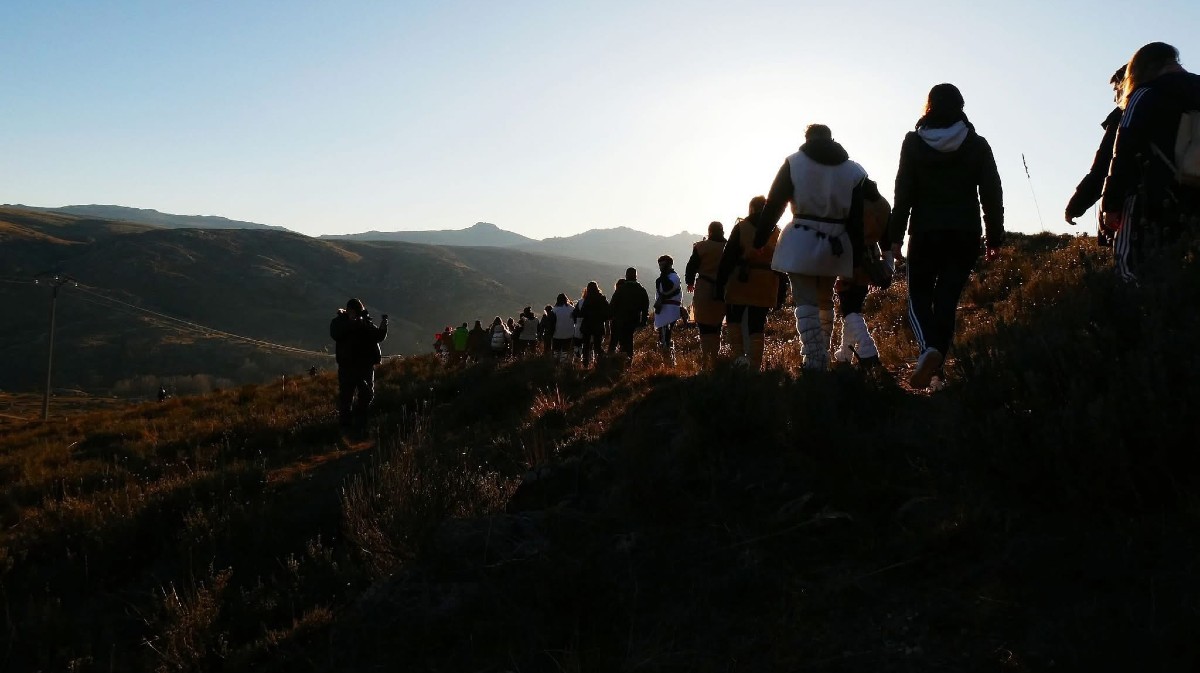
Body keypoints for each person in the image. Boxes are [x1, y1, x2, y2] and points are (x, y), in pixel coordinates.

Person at [888, 83, 1004, 390]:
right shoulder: (977, 144)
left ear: (929, 107)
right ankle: (937, 373)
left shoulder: (913, 142)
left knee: (918, 297)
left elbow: (903, 193)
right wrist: (994, 238)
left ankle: (929, 349)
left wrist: (894, 238)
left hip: (925, 232)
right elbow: (992, 194)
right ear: (961, 108)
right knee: (946, 301)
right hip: (965, 234)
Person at [755, 123, 872, 372]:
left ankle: (814, 358)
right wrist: (856, 258)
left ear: (807, 139)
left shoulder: (794, 163)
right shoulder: (853, 170)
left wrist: (760, 239)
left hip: (801, 239)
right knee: (825, 298)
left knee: (805, 299)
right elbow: (856, 220)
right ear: (831, 138)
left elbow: (775, 203)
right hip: (836, 243)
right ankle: (824, 352)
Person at [1102, 42, 1200, 282]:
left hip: (1150, 199)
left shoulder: (1144, 94)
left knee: (1131, 272)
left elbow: (1123, 150)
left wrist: (1111, 204)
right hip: (1195, 198)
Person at [1065, 65, 1127, 248]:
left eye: (1116, 89)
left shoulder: (1123, 117)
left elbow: (1103, 168)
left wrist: (1075, 206)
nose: (1115, 97)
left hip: (1126, 220)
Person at [833, 181, 892, 371]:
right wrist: (888, 265)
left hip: (851, 259)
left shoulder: (855, 203)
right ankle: (845, 354)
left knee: (849, 308)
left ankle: (868, 350)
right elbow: (886, 239)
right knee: (854, 307)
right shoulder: (883, 204)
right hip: (872, 259)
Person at [717, 196, 778, 370]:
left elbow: (728, 258)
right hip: (767, 283)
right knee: (757, 325)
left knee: (734, 320)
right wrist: (780, 293)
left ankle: (738, 360)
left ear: (751, 208)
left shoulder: (742, 227)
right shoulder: (776, 231)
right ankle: (755, 365)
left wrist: (720, 284)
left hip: (741, 281)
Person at [329, 298, 388, 430]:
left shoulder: (364, 322)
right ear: (348, 311)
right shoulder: (339, 322)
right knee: (346, 397)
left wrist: (384, 325)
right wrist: (351, 323)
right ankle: (347, 427)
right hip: (347, 366)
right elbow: (335, 334)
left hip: (364, 366)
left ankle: (359, 422)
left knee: (367, 395)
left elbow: (378, 336)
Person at [685, 221, 728, 370]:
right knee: (717, 326)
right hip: (724, 290)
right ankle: (715, 359)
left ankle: (706, 360)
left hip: (704, 287)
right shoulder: (728, 246)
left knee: (703, 325)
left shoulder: (701, 247)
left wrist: (690, 282)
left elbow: (691, 267)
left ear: (709, 231)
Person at [608, 267, 651, 359]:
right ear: (636, 276)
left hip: (619, 320)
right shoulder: (641, 290)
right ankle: (628, 360)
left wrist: (611, 317)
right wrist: (643, 322)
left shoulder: (621, 289)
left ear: (626, 276)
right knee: (629, 341)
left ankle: (612, 360)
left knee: (615, 342)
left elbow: (612, 304)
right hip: (633, 320)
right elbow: (645, 307)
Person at [572, 281, 611, 367]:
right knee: (598, 346)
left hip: (587, 326)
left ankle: (585, 364)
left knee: (586, 346)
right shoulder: (602, 299)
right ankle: (601, 363)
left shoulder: (587, 300)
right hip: (598, 325)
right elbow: (609, 313)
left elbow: (581, 313)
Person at [653, 255, 683, 364]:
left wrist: (663, 274)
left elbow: (666, 289)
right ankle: (667, 361)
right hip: (665, 311)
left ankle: (668, 361)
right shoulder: (667, 278)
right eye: (660, 265)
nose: (661, 267)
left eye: (663, 265)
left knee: (666, 337)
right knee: (664, 336)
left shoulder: (674, 277)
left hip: (669, 311)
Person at [551, 294, 576, 362]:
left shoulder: (554, 310)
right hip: (569, 333)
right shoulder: (572, 309)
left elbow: (552, 323)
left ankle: (556, 362)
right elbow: (575, 320)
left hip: (557, 333)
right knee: (565, 350)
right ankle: (563, 362)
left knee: (556, 350)